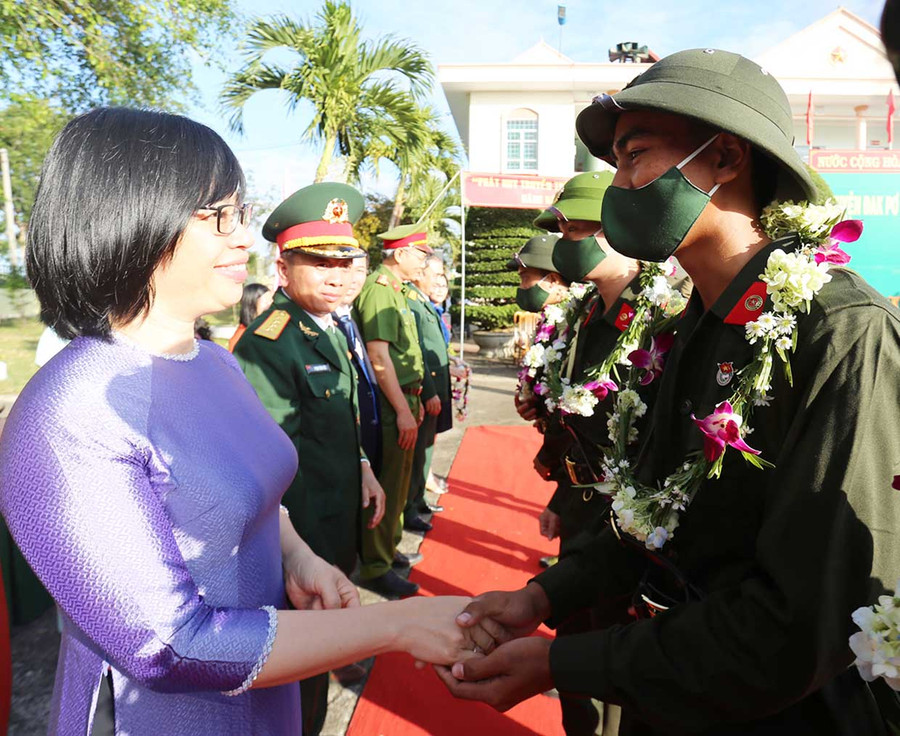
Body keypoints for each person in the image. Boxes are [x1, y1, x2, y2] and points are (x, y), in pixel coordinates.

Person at [441, 49, 900, 735]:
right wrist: (541, 595)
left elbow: (804, 620)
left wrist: (563, 665)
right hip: (670, 687)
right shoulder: (691, 327)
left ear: (726, 157)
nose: (620, 185)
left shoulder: (842, 333)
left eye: (636, 156)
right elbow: (651, 515)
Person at [0, 107, 476, 736]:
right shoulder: (73, 409)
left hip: (259, 685)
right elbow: (167, 645)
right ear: (131, 215)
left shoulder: (211, 364)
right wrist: (394, 625)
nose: (242, 238)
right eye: (217, 216)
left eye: (241, 214)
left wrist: (297, 556)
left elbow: (247, 495)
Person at [233, 182, 389, 734]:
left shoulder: (328, 325)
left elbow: (342, 418)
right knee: (301, 682)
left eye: (347, 261)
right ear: (282, 268)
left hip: (334, 516)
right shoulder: (270, 342)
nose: (337, 274)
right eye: (318, 262)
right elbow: (264, 461)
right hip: (299, 538)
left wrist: (366, 469)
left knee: (320, 652)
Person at [354, 224, 429, 597]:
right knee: (385, 485)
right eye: (420, 254)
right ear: (399, 254)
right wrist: (402, 409)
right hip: (390, 403)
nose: (424, 262)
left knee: (399, 486)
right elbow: (378, 355)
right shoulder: (380, 291)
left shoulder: (397, 290)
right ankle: (375, 565)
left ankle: (389, 547)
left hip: (405, 397)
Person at [402, 255, 452, 528]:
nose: (437, 279)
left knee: (426, 450)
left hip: (435, 388)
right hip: (424, 390)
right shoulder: (412, 301)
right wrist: (428, 391)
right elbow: (418, 350)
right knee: (416, 452)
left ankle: (418, 499)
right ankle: (409, 508)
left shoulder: (424, 302)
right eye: (433, 273)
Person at [335, 253, 383, 477]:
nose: (353, 279)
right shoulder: (325, 325)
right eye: (347, 268)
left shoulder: (350, 320)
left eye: (360, 271)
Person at [229, 282, 273, 352]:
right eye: (265, 302)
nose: (270, 306)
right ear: (251, 305)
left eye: (271, 301)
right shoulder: (241, 338)